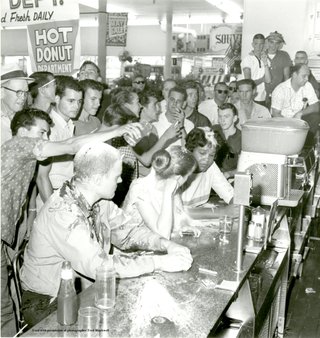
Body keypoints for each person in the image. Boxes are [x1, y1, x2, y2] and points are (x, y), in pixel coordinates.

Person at [1, 107, 142, 336]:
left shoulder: (23, 160)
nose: (46, 139)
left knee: (4, 311)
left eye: (48, 134)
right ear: (21, 131)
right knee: (3, 313)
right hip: (39, 293)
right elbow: (73, 144)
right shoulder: (18, 145)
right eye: (42, 133)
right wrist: (120, 129)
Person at [20, 142, 193, 328]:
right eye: (116, 176)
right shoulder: (63, 213)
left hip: (83, 290)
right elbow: (99, 267)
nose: (120, 181)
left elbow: (128, 232)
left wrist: (165, 245)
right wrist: (157, 262)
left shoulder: (98, 201)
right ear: (96, 179)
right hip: (48, 302)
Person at [123, 146, 200, 239]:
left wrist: (183, 225)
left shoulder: (174, 189)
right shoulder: (140, 189)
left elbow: (180, 213)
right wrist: (167, 194)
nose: (188, 179)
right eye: (188, 176)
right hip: (129, 246)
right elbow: (163, 235)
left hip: (151, 244)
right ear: (178, 178)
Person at [36, 76, 82, 206]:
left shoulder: (69, 124)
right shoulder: (49, 127)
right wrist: (52, 209)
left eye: (79, 101)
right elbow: (41, 177)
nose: (77, 106)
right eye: (71, 101)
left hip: (67, 193)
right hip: (51, 196)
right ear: (56, 99)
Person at [181, 127, 234, 209]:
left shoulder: (211, 166)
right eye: (202, 153)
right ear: (190, 150)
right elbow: (179, 212)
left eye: (211, 155)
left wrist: (236, 205)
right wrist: (224, 212)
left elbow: (229, 194)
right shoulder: (179, 168)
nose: (206, 159)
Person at [1, 64, 34, 145]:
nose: (23, 98)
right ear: (1, 92)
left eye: (25, 92)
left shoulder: (27, 118)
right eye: (18, 92)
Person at [241, 33, 271, 105]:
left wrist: (265, 63)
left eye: (261, 44)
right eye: (256, 44)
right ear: (252, 44)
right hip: (251, 97)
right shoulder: (247, 59)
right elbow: (248, 83)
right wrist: (262, 79)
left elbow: (268, 80)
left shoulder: (266, 59)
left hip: (263, 97)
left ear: (264, 45)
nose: (259, 46)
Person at [212, 103, 241, 178]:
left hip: (230, 179)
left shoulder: (242, 138)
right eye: (220, 116)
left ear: (235, 118)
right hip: (211, 176)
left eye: (226, 116)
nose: (222, 120)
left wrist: (228, 174)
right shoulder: (213, 131)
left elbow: (244, 167)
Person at [264, 31, 292, 107]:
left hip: (278, 93)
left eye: (277, 43)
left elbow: (286, 76)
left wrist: (286, 93)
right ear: (267, 42)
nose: (274, 45)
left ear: (280, 44)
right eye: (272, 42)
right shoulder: (261, 54)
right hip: (262, 94)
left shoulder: (284, 55)